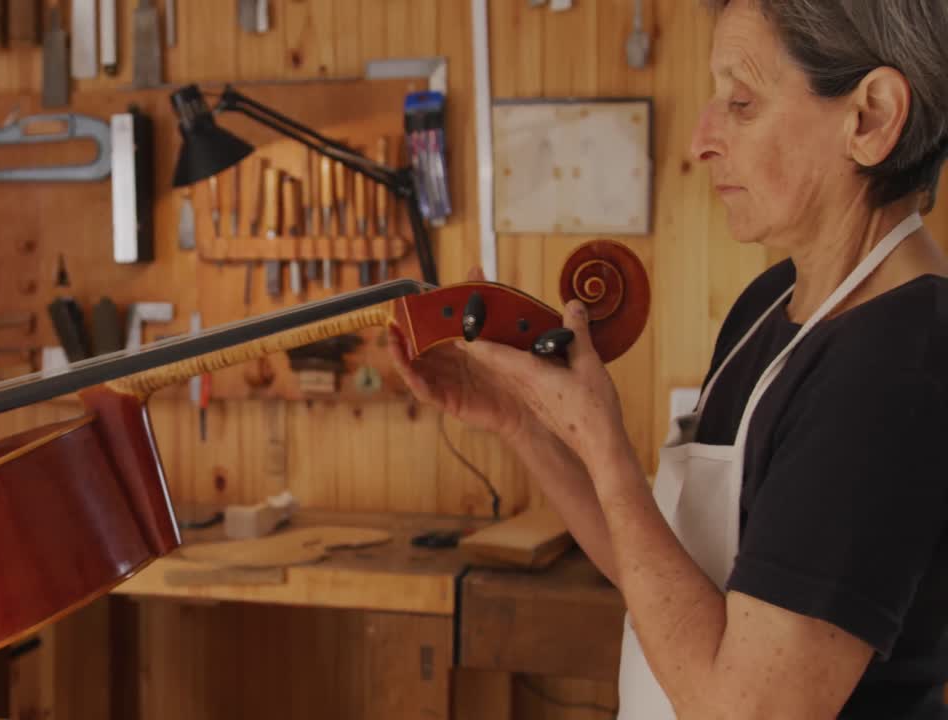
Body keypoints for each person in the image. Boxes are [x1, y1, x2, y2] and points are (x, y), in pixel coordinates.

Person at [389, 0, 948, 717]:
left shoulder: (894, 366)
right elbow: (657, 571)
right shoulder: (771, 305)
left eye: (741, 102)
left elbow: (743, 710)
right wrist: (521, 422)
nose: (701, 139)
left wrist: (601, 440)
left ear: (870, 118)